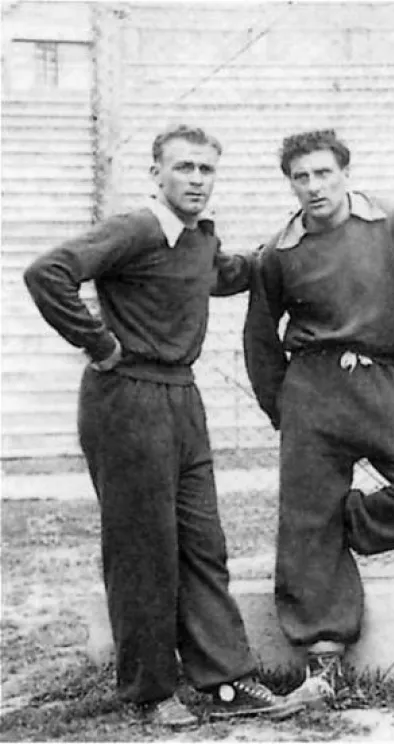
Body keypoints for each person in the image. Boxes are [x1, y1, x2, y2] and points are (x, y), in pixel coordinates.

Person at [22, 125, 300, 727]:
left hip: (182, 397)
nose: (196, 180)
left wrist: (286, 250)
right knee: (142, 549)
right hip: (127, 399)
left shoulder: (197, 237)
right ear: (157, 175)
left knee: (203, 542)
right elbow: (49, 272)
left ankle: (226, 682)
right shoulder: (136, 227)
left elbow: (219, 274)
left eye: (206, 169)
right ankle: (151, 691)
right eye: (184, 168)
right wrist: (98, 343)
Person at [242, 129, 394, 708]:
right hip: (311, 384)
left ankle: (347, 525)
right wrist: (281, 405)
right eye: (301, 177)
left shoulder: (391, 225)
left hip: (381, 377)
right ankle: (324, 666)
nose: (313, 187)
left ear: (344, 173)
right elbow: (260, 337)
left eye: (323, 174)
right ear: (290, 183)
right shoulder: (277, 252)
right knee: (304, 521)